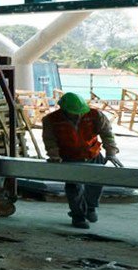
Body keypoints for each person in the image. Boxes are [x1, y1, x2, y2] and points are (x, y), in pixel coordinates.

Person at [42, 92, 120, 229]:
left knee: (96, 183)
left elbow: (107, 134)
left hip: (93, 154)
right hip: (69, 157)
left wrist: (111, 153)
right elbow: (50, 140)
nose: (77, 115)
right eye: (73, 113)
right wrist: (54, 155)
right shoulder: (51, 120)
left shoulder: (95, 115)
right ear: (63, 109)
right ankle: (78, 216)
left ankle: (90, 208)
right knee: (74, 188)